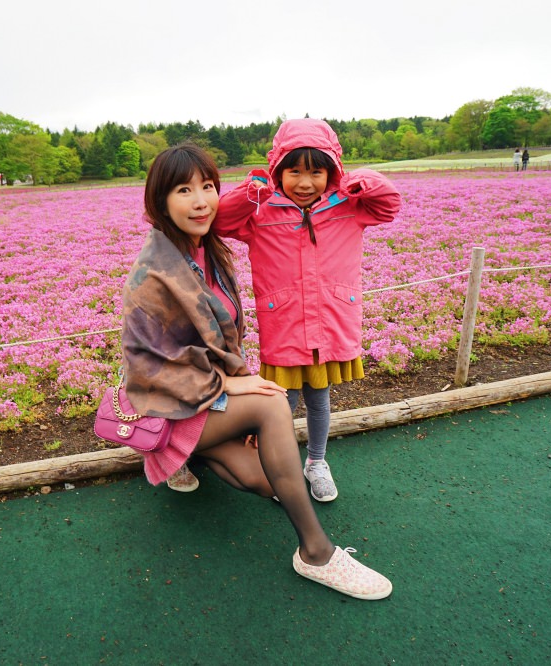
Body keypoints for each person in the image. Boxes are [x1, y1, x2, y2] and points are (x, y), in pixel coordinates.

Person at [120, 142, 393, 600]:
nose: (202, 200)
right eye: (184, 190)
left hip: (201, 400)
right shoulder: (152, 274)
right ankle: (316, 553)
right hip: (168, 404)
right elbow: (149, 366)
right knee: (270, 406)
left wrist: (232, 393)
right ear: (160, 200)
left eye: (208, 186)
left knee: (265, 480)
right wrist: (233, 386)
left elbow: (218, 341)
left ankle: (196, 454)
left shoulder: (203, 250)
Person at [215, 118, 402, 503]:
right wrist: (254, 189)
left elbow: (389, 205)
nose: (305, 182)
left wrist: (362, 179)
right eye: (294, 171)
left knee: (319, 398)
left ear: (332, 172)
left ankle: (316, 462)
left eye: (317, 172)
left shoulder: (351, 205)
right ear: (277, 171)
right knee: (280, 402)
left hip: (331, 321)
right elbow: (220, 220)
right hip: (283, 324)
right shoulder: (261, 212)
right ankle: (277, 468)